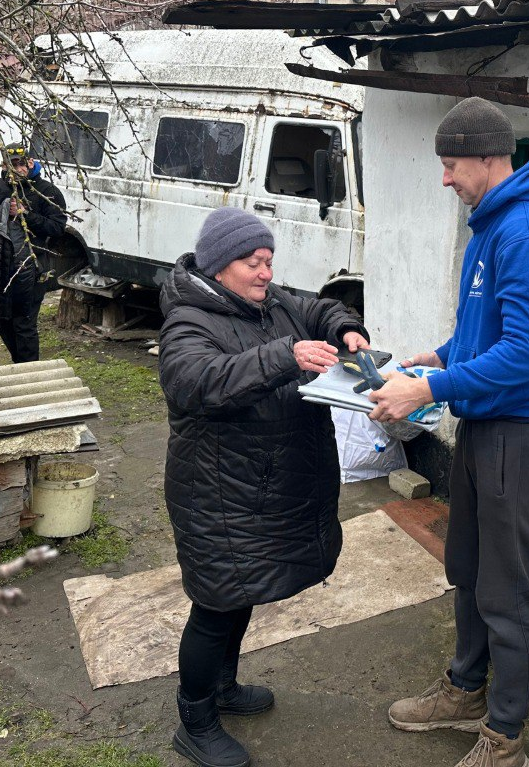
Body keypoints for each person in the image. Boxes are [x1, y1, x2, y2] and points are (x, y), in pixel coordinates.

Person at [369, 97, 529, 767]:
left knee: (507, 589)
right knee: (467, 569)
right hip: (486, 427)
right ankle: (464, 691)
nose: (444, 179)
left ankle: (505, 738)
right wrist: (442, 356)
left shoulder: (523, 234)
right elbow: (483, 330)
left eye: (451, 164)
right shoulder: (491, 225)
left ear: (489, 156)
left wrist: (427, 388)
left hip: (520, 434)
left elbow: (525, 352)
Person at [158, 207, 370, 767]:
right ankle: (195, 722)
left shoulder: (270, 302)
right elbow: (196, 381)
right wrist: (284, 355)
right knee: (215, 605)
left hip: (258, 489)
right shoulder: (187, 322)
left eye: (269, 262)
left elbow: (315, 308)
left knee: (240, 592)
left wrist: (343, 328)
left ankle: (223, 688)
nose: (264, 273)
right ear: (220, 265)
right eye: (253, 263)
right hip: (216, 494)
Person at [0, 146, 67, 363]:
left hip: (33, 268)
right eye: (12, 164)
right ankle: (20, 365)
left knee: (24, 324)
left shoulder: (46, 192)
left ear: (30, 162)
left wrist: (25, 214)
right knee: (3, 320)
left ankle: (30, 374)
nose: (18, 168)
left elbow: (58, 228)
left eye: (21, 163)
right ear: (4, 165)